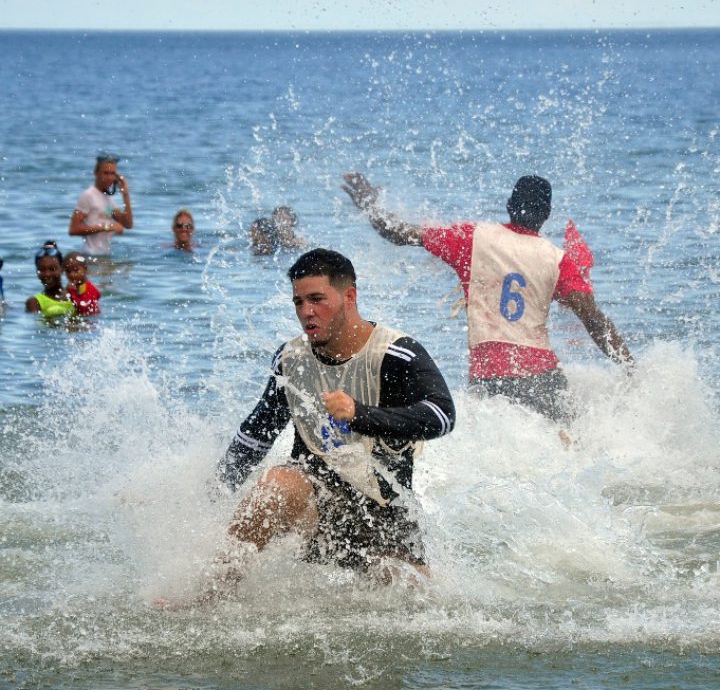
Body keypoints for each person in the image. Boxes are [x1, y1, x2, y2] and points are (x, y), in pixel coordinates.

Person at [217, 248, 455, 580]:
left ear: (349, 296)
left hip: (384, 515)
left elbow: (442, 416)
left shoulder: (396, 354)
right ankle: (210, 592)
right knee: (276, 485)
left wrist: (360, 414)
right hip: (314, 502)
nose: (307, 312)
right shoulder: (291, 360)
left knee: (411, 595)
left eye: (317, 299)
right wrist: (213, 493)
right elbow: (256, 434)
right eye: (299, 302)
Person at [342, 173, 633, 423]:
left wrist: (370, 204)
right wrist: (630, 366)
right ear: (547, 214)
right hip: (542, 376)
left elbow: (397, 233)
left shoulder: (471, 239)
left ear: (509, 206)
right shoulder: (558, 260)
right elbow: (594, 320)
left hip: (490, 377)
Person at [68, 154, 133, 255]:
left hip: (104, 256)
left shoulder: (108, 200)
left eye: (112, 173)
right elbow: (73, 229)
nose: (109, 177)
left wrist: (125, 195)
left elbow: (128, 224)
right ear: (96, 173)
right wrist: (107, 227)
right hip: (90, 256)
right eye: (105, 173)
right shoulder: (88, 195)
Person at [25, 241, 75, 319]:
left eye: (52, 269)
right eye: (42, 270)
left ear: (62, 269)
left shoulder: (74, 296)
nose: (47, 274)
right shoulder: (34, 302)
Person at [63, 251, 101, 315]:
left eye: (76, 270)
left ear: (85, 269)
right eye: (68, 271)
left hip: (91, 321)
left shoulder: (89, 287)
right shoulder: (77, 287)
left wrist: (71, 292)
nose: (72, 274)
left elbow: (83, 307)